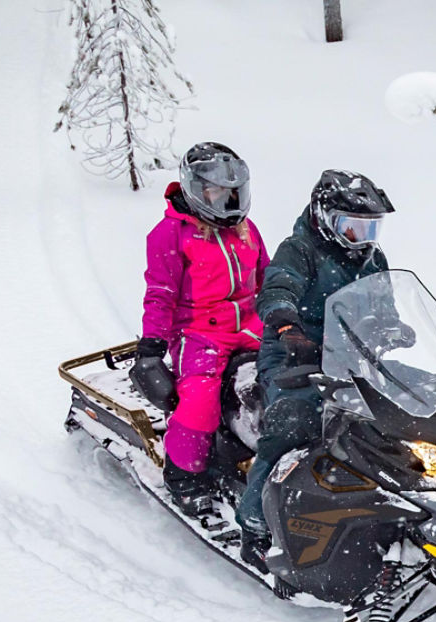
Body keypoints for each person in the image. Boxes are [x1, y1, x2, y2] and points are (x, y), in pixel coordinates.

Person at [236, 169, 395, 570]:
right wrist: (286, 324)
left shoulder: (373, 259)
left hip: (352, 354)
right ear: (326, 219)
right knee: (294, 422)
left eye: (370, 228)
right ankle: (255, 522)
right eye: (353, 227)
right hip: (294, 352)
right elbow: (278, 287)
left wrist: (395, 329)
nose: (363, 238)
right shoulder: (300, 249)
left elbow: (386, 305)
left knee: (398, 414)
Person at [129, 142, 270, 516]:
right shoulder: (171, 234)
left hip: (252, 326)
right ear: (196, 190)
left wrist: (290, 316)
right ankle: (185, 476)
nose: (227, 200)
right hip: (200, 334)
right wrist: (151, 346)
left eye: (233, 193)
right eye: (217, 192)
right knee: (200, 400)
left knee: (292, 381)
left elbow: (268, 279)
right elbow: (160, 293)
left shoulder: (246, 229)